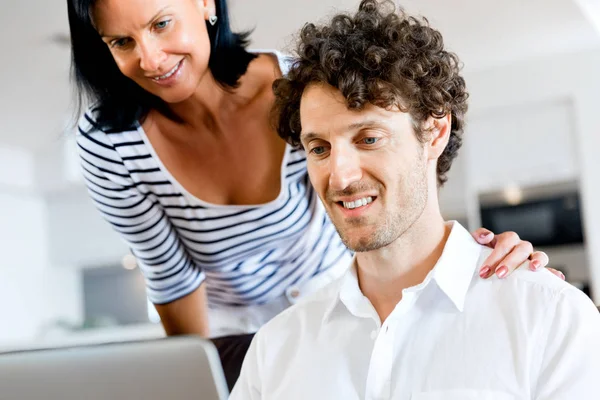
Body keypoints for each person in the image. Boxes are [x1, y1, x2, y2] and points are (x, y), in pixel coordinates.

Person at [67, 0, 555, 388]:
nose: (149, 59)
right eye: (121, 41)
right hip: (230, 329)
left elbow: (379, 191)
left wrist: (466, 265)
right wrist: (204, 375)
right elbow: (172, 277)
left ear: (205, 3)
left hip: (339, 296)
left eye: (162, 23)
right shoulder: (111, 144)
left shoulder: (299, 87)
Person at [230, 1, 600, 398]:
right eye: (319, 148)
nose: (339, 175)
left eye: (368, 139)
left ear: (435, 133)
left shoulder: (548, 317)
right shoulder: (274, 351)